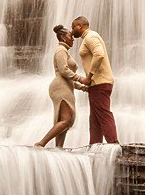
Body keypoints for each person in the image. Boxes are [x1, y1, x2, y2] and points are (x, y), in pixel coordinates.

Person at [36, 24, 85, 150]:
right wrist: (80, 78)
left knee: (64, 121)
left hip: (65, 86)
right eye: (70, 36)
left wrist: (83, 87)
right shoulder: (61, 51)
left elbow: (67, 77)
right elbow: (63, 70)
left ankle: (58, 148)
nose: (73, 39)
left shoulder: (64, 51)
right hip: (60, 87)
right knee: (66, 120)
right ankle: (41, 143)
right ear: (63, 37)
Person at [71, 14, 117, 144]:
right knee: (95, 118)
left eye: (73, 27)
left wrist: (89, 76)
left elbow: (99, 54)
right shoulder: (89, 37)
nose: (72, 30)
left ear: (80, 26)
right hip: (97, 83)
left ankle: (114, 145)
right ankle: (95, 145)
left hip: (99, 82)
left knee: (103, 114)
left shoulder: (90, 37)